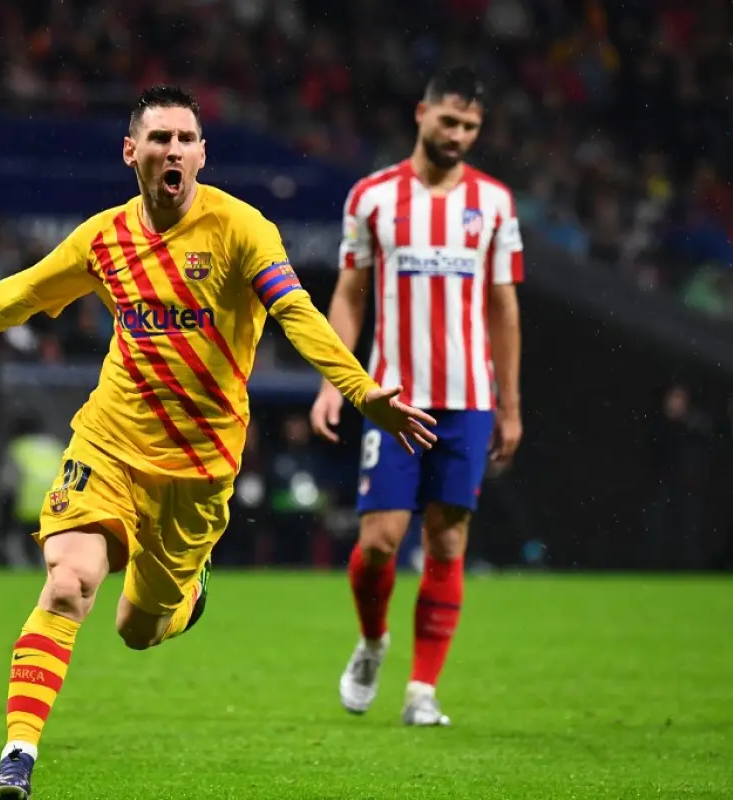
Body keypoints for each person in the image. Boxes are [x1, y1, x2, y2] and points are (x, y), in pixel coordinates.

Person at [0, 85, 437, 800]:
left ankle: (185, 594)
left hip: (198, 471)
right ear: (131, 150)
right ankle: (18, 755)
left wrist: (359, 390)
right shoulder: (103, 237)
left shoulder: (241, 228)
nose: (174, 151)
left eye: (186, 139)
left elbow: (296, 313)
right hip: (108, 444)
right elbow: (22, 294)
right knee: (69, 583)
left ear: (202, 153)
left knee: (138, 627)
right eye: (159, 138)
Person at [308, 67, 524, 727]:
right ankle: (373, 642)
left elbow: (503, 307)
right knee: (378, 541)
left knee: (448, 541)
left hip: (468, 396)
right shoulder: (371, 197)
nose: (458, 135)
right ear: (421, 112)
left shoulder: (494, 203)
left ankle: (422, 691)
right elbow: (350, 293)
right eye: (448, 121)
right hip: (392, 396)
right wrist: (333, 380)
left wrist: (510, 405)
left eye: (470, 126)